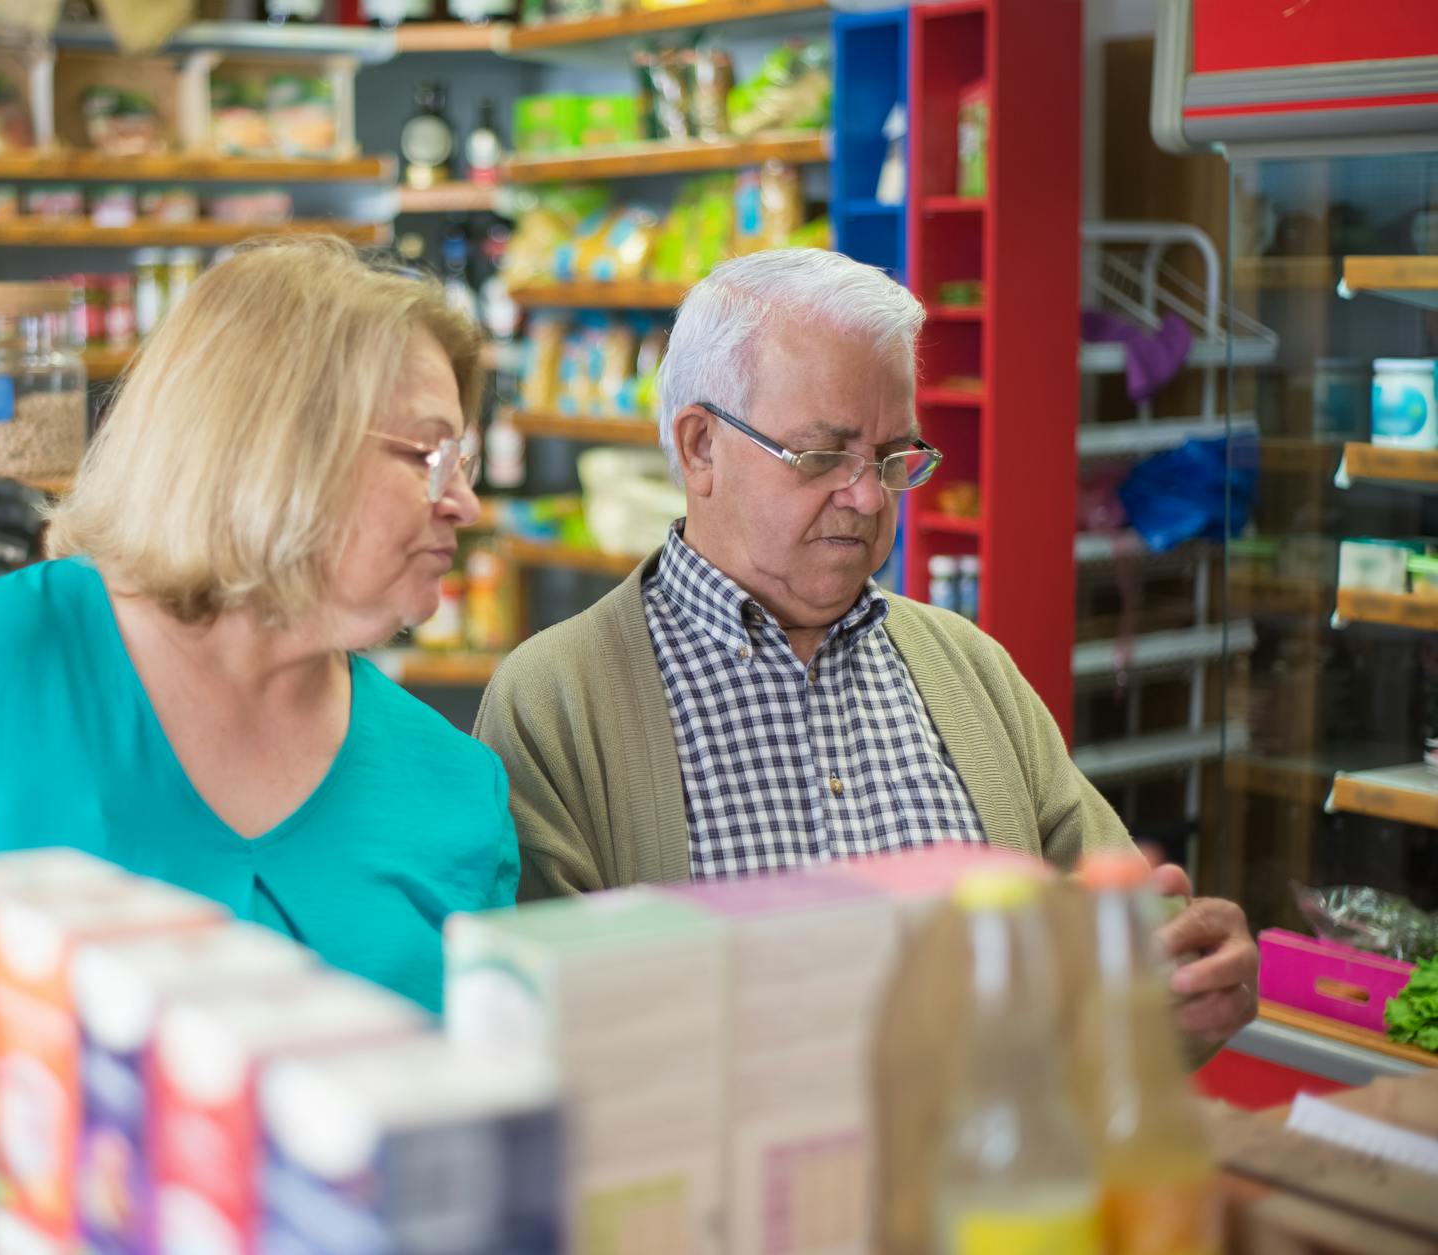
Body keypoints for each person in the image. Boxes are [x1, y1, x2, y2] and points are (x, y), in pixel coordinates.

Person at [0, 237, 518, 1255]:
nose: (462, 501)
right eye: (427, 454)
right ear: (271, 443)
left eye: (462, 460)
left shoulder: (454, 786)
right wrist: (13, 1115)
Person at [475, 247, 1258, 1049]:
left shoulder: (970, 669)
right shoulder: (556, 702)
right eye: (824, 456)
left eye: (893, 457)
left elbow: (1118, 951)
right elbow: (553, 1046)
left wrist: (1183, 982)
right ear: (701, 446)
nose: (868, 495)